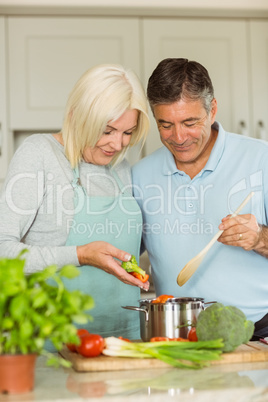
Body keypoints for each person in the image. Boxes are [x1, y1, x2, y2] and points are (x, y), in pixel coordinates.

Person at [0, 64, 150, 341]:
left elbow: (123, 250)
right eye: (107, 130)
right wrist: (79, 255)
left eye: (127, 133)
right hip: (57, 342)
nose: (117, 144)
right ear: (77, 116)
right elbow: (3, 252)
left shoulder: (121, 168)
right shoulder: (40, 154)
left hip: (127, 338)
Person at [132, 58, 268, 340]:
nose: (178, 137)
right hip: (176, 336)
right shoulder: (140, 175)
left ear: (212, 109)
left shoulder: (261, 159)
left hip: (259, 334)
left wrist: (260, 238)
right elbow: (127, 258)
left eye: (190, 122)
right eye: (165, 125)